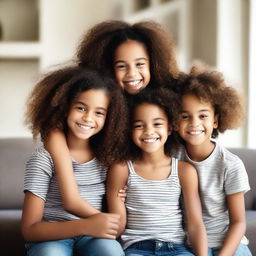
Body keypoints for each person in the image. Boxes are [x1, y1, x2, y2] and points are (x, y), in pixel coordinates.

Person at [44, 19, 180, 218]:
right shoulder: (94, 108)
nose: (132, 73)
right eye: (121, 66)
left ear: (154, 63)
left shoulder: (166, 105)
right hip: (100, 208)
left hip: (152, 210)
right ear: (107, 68)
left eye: (140, 64)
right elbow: (53, 131)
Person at [21, 66, 128, 256]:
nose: (88, 118)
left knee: (111, 252)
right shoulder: (43, 159)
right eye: (81, 108)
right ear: (64, 108)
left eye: (99, 113)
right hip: (51, 236)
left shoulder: (107, 159)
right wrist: (85, 225)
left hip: (94, 236)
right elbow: (29, 229)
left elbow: (114, 222)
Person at [107, 88, 208, 256]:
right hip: (136, 249)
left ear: (169, 128)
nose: (148, 131)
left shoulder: (184, 171)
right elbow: (117, 229)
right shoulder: (122, 169)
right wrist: (117, 201)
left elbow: (195, 224)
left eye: (157, 124)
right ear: (129, 131)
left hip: (176, 249)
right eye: (139, 125)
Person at [174, 66, 252, 256]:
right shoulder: (172, 157)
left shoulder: (230, 165)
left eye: (203, 115)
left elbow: (239, 222)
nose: (194, 123)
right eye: (185, 116)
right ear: (175, 121)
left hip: (228, 244)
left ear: (215, 120)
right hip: (188, 244)